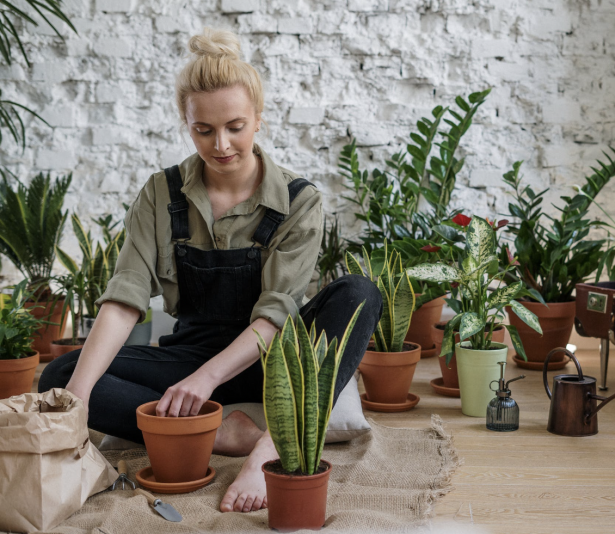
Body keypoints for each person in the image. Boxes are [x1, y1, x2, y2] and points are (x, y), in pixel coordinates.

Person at [38, 28, 381, 514]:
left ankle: (272, 445)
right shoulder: (161, 194)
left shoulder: (299, 201)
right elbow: (124, 300)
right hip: (191, 353)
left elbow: (276, 315)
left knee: (360, 291)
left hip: (275, 360)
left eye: (236, 126)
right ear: (186, 122)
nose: (221, 145)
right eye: (203, 130)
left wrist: (204, 381)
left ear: (258, 118)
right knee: (61, 375)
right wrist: (76, 400)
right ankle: (222, 433)